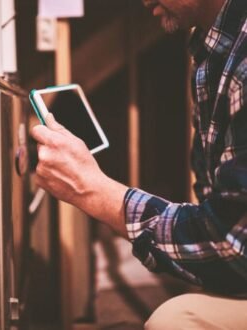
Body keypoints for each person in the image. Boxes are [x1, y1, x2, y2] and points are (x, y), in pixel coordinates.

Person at [30, 0, 247, 328]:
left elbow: (233, 241)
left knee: (172, 321)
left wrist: (97, 193)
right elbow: (214, 204)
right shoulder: (210, 50)